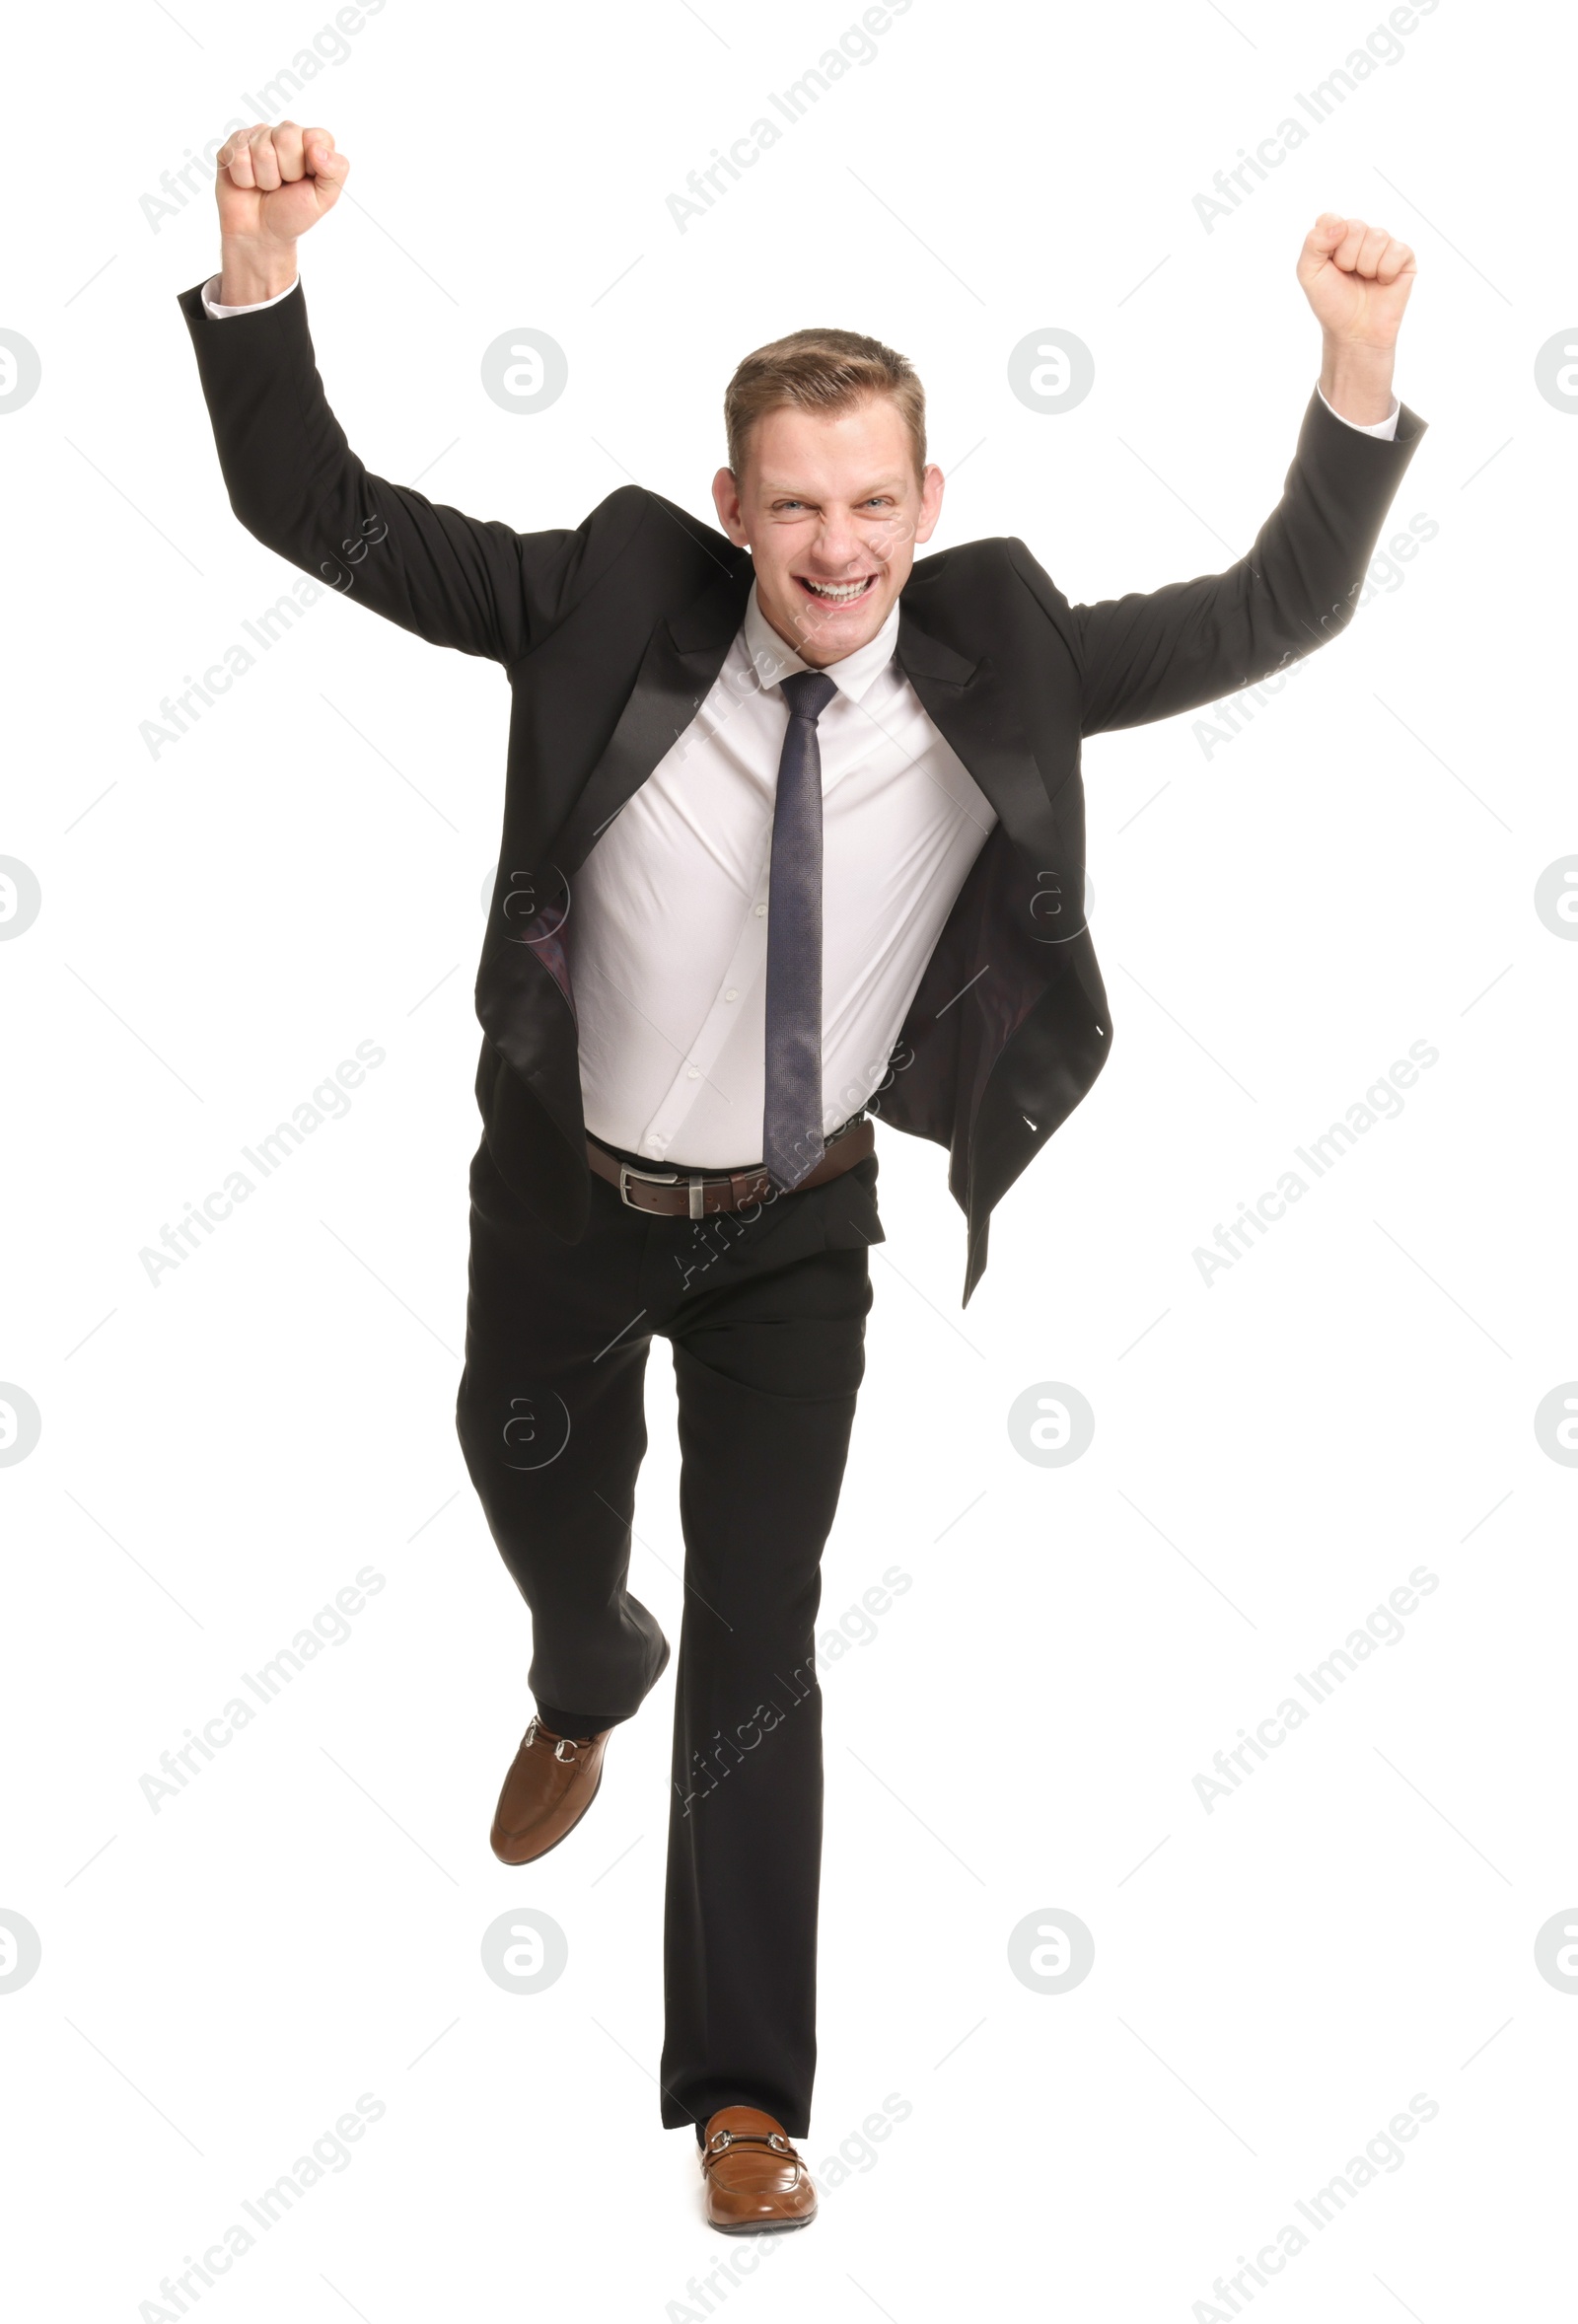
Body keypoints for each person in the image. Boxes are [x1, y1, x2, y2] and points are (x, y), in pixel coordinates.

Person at [179, 117, 1424, 2232]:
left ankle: (741, 2096)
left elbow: (1279, 599)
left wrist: (1353, 364)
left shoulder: (1004, 650)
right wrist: (257, 271)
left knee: (766, 1636)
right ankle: (583, 1662)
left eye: (872, 503)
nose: (833, 545)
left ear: (923, 506)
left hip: (794, 1226)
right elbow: (319, 505)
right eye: (793, 504)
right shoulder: (594, 598)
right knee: (532, 1492)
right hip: (566, 1199)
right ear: (735, 502)